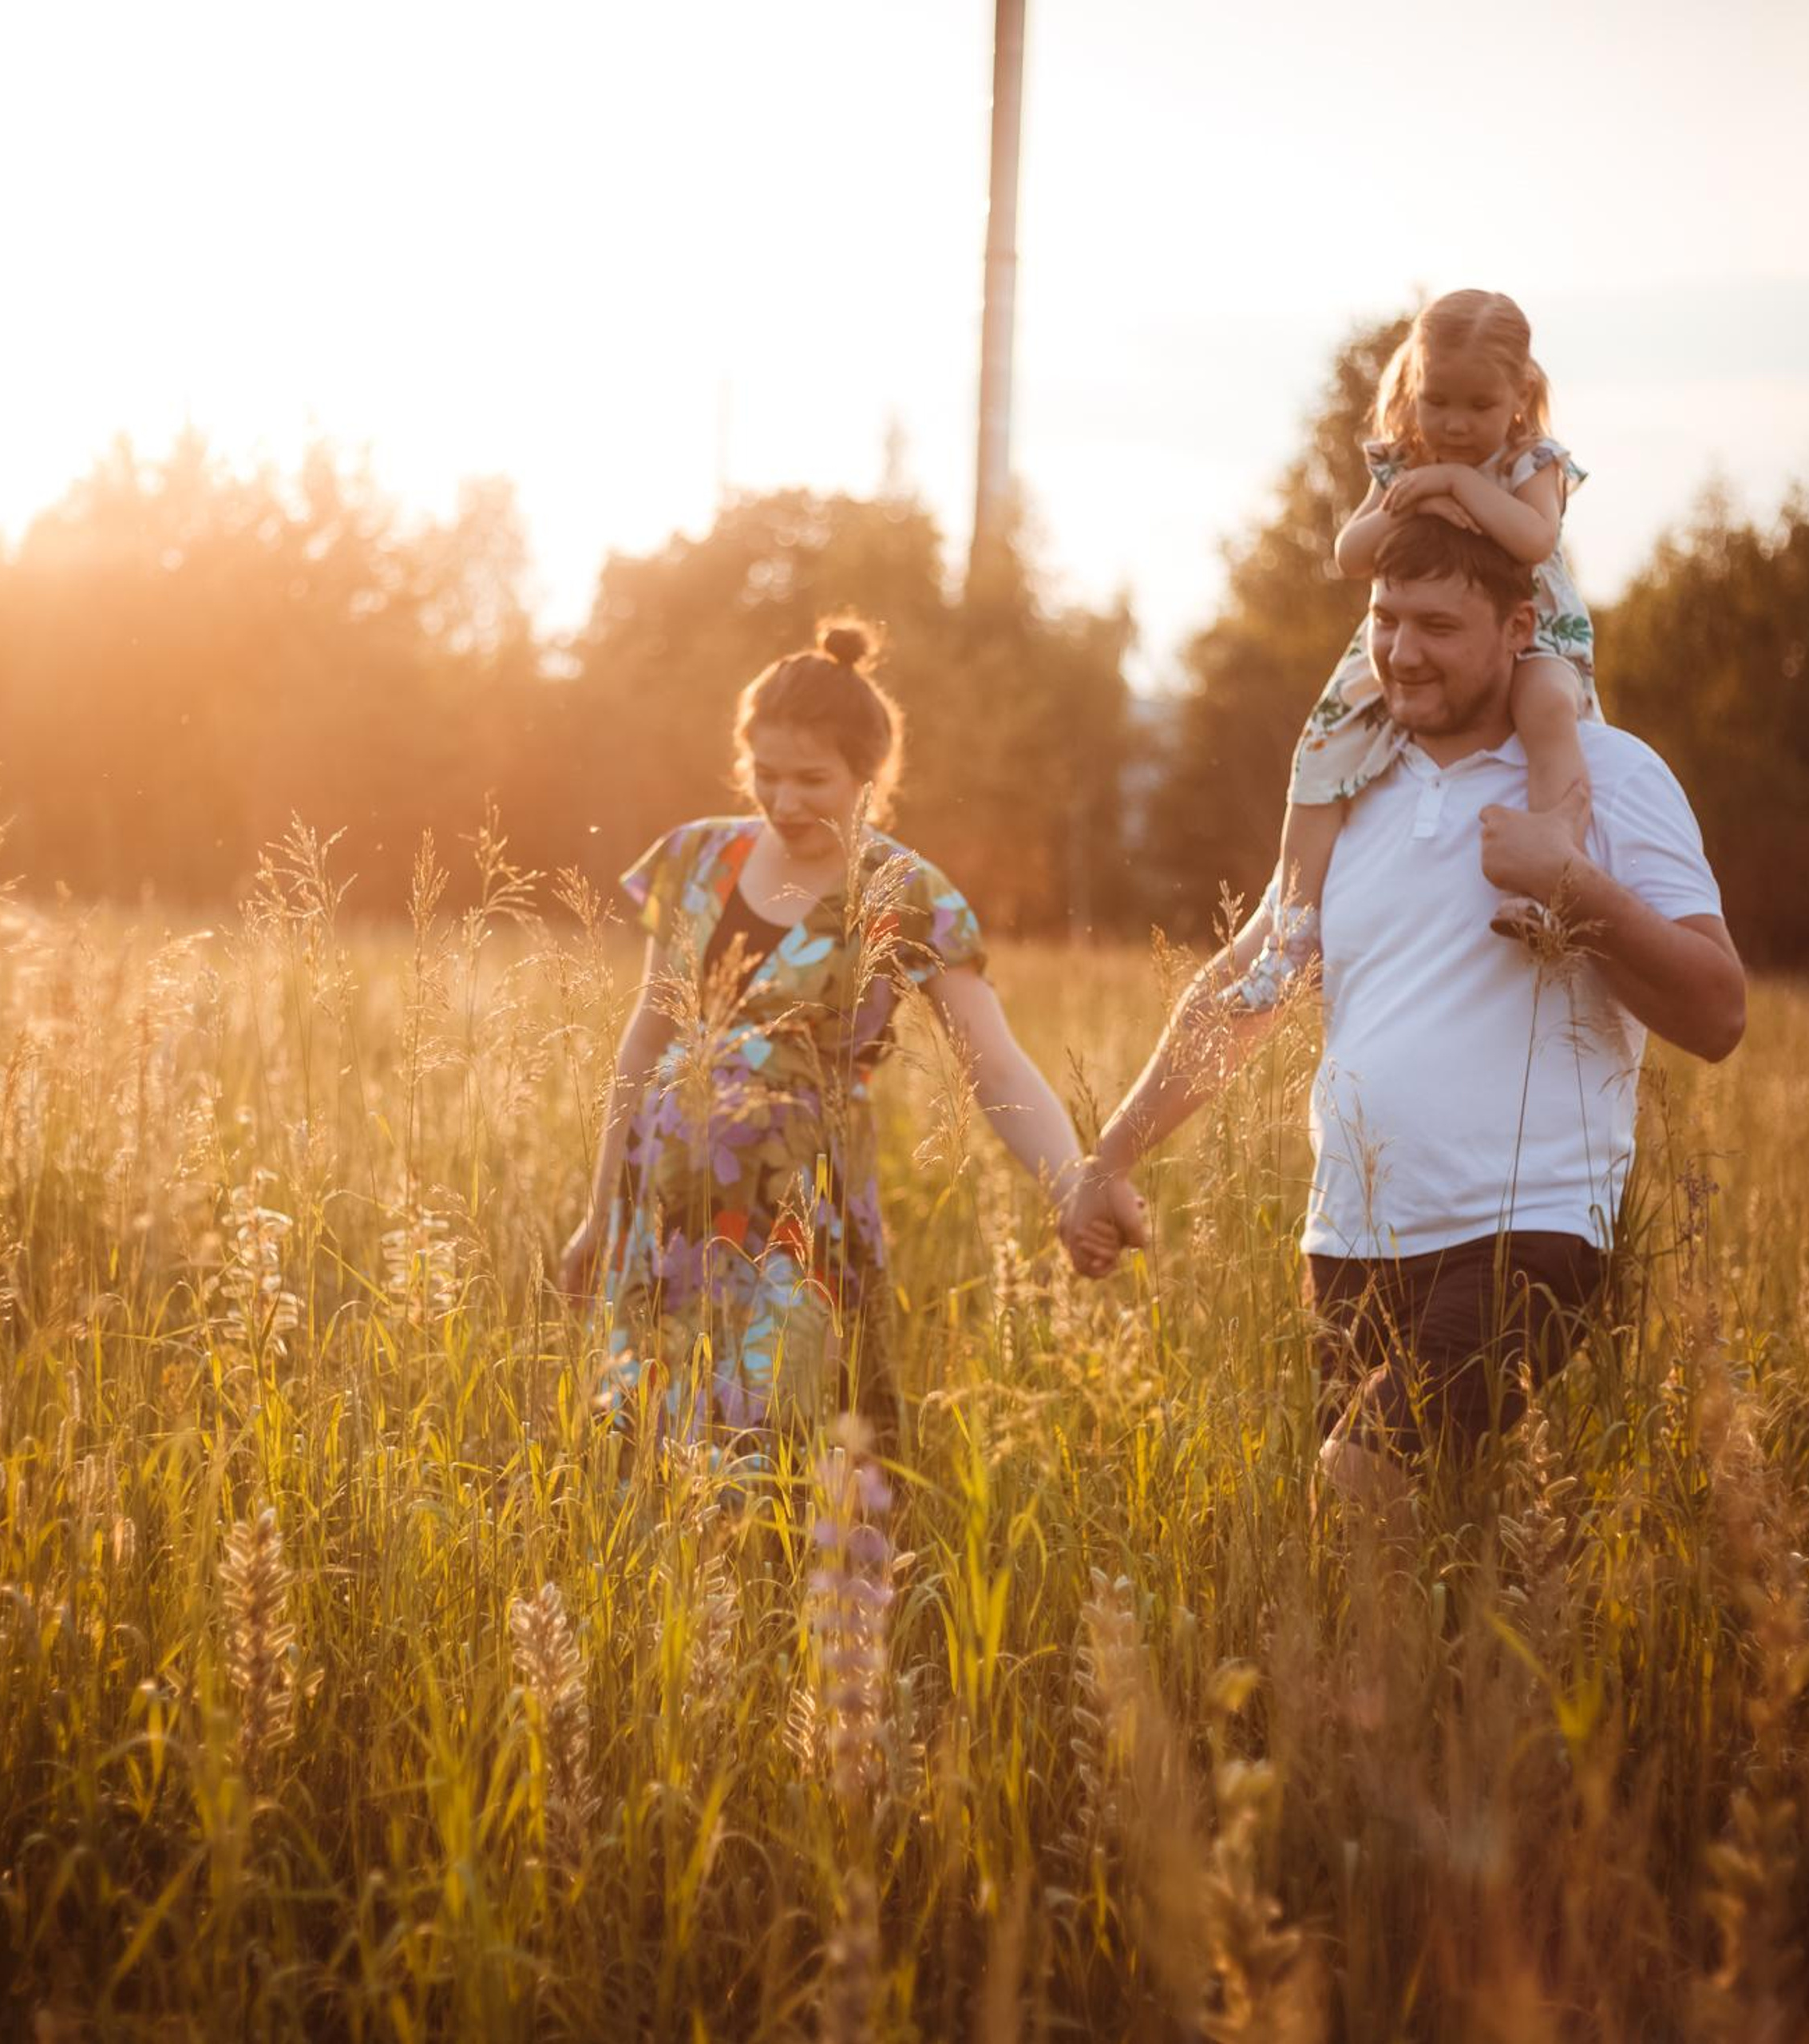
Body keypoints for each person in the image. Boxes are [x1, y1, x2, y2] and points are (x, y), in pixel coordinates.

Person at [1064, 517, 1744, 1502]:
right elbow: (1245, 992)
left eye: (1437, 624)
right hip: (1348, 1245)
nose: (1401, 651)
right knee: (1403, 1566)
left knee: (1357, 1483)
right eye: (1384, 619)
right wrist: (1109, 1154)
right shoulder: (1349, 788)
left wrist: (1570, 881)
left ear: (1520, 627)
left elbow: (1719, 1012)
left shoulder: (1608, 776)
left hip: (1528, 1231)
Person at [558, 618, 1121, 1444]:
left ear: (869, 773)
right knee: (652, 1453)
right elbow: (645, 1041)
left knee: (783, 1452)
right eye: (766, 773)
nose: (784, 801)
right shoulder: (694, 860)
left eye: (812, 779)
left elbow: (993, 1066)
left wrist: (1072, 1184)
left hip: (798, 1221)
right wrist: (600, 1208)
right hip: (665, 1218)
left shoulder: (904, 891)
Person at [1229, 289, 1601, 1010]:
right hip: (1414, 627)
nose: (1456, 425)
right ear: (1413, 388)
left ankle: (1553, 887)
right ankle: (1293, 935)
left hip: (1534, 627)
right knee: (1322, 746)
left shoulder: (1532, 461)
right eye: (1439, 403)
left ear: (1520, 395)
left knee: (1550, 712)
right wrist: (1421, 495)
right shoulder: (1405, 461)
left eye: (1479, 406)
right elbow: (1350, 554)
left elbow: (1534, 540)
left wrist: (1459, 482)